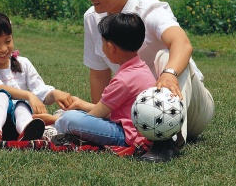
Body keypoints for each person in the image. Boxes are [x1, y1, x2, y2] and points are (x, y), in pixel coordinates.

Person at [80, 0, 215, 162]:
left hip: (191, 107)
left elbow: (183, 43)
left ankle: (166, 142)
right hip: (141, 114)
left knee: (165, 55)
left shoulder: (151, 10)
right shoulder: (92, 18)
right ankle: (153, 136)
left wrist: (169, 73)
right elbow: (98, 73)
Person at [34, 13, 155, 150]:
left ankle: (55, 127)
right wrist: (80, 104)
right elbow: (111, 111)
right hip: (134, 128)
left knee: (70, 119)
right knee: (71, 114)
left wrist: (57, 119)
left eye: (102, 43)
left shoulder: (123, 80)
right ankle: (61, 120)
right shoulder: (141, 69)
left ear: (110, 47)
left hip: (125, 135)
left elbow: (95, 116)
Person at [0, 11, 74, 141]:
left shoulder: (23, 63)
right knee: (2, 95)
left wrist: (54, 94)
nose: (3, 48)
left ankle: (28, 131)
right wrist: (28, 95)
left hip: (20, 120)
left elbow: (40, 90)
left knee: (21, 105)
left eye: (7, 41)